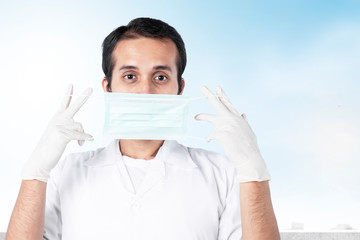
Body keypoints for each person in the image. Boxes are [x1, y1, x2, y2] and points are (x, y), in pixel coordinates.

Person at [6, 17, 280, 239]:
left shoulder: (223, 174)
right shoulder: (66, 172)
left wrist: (253, 172)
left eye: (160, 77)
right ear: (108, 87)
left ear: (179, 88)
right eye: (130, 76)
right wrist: (35, 173)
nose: (145, 91)